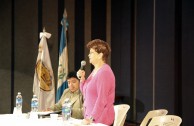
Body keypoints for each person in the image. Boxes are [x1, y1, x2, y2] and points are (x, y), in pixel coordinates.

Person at [77, 39, 115, 125]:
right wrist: (82, 79)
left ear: (100, 55)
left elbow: (102, 99)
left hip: (100, 120)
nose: (88, 55)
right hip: (91, 119)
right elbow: (85, 92)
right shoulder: (95, 71)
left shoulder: (104, 72)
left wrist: (91, 118)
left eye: (91, 53)